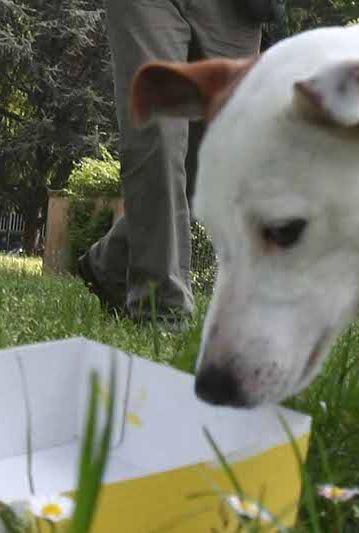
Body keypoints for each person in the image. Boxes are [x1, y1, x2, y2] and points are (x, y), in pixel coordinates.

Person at [78, 0, 262, 324]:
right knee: (157, 130)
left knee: (223, 152)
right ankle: (162, 309)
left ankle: (113, 262)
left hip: (234, 11)